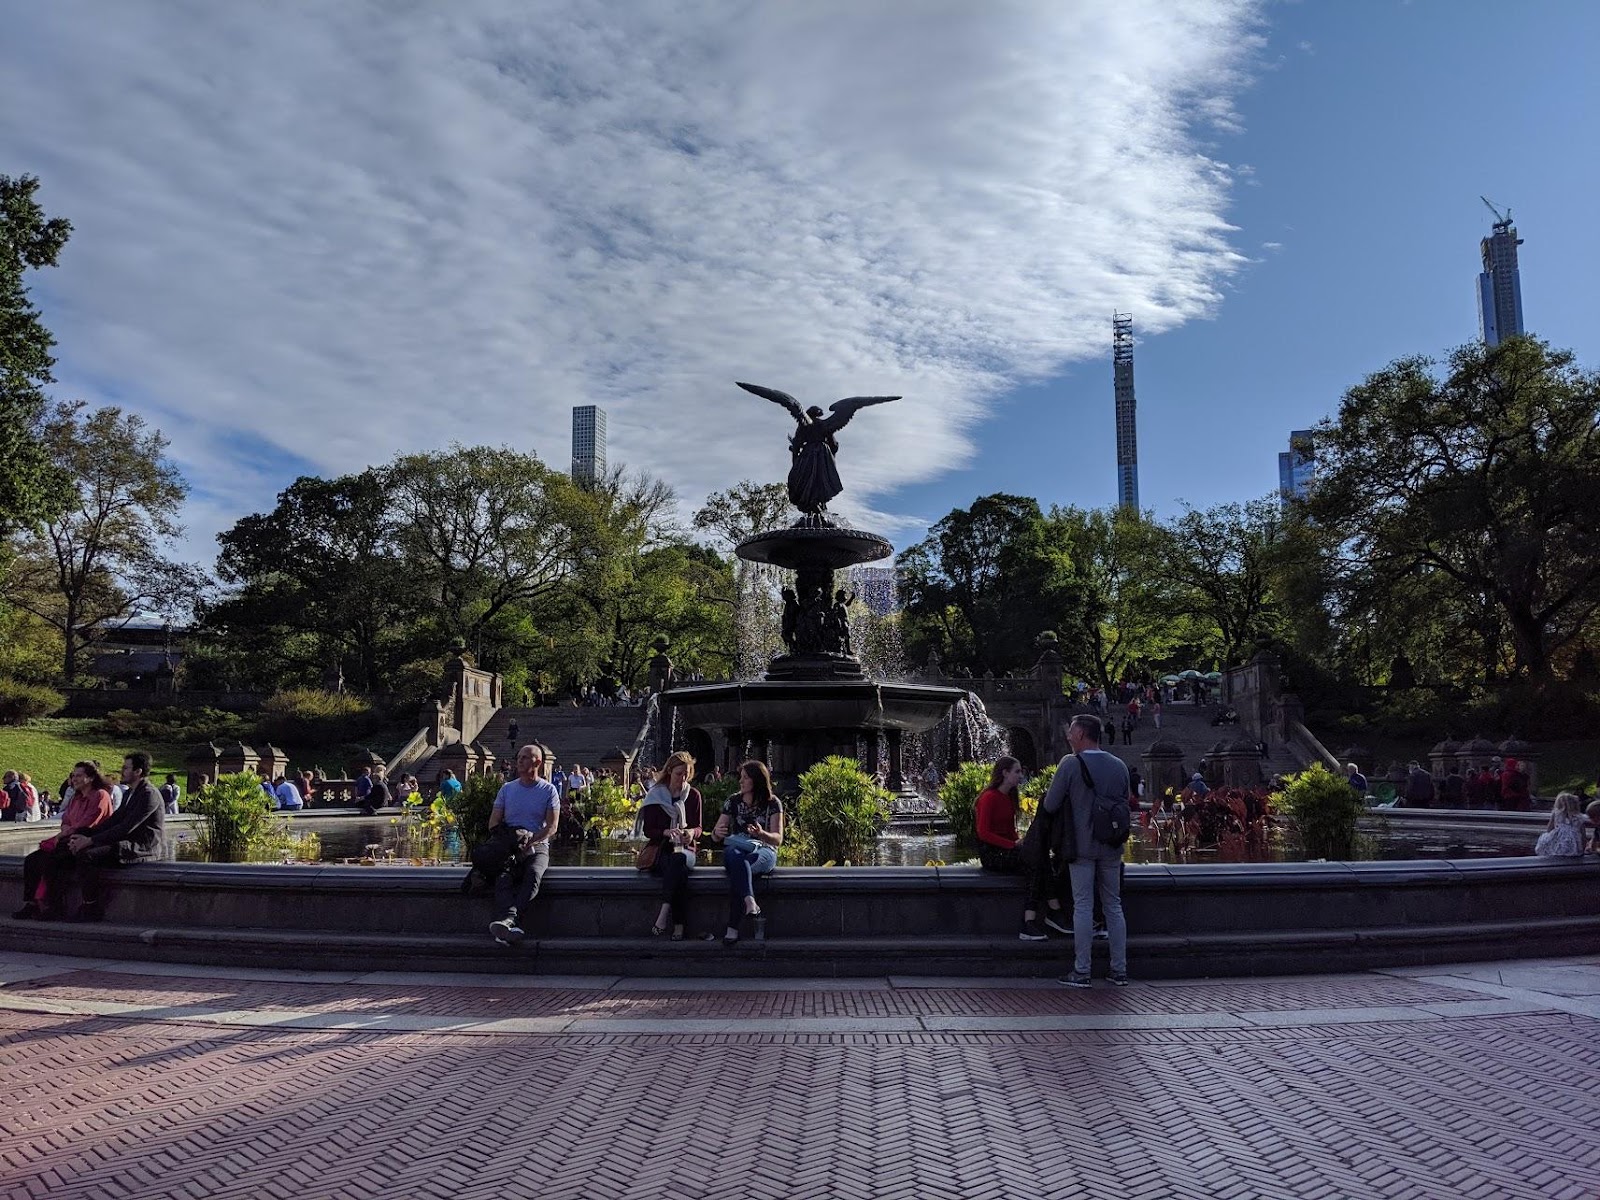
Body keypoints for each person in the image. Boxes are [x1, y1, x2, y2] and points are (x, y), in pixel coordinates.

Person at [1041, 714, 1130, 988]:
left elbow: (1050, 804)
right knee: (1113, 905)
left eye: (1071, 732)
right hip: (1112, 845)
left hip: (1080, 846)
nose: (1068, 737)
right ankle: (1119, 970)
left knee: (1083, 906)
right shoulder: (1119, 765)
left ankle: (1082, 971)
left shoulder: (1070, 763)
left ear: (1081, 735)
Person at [41, 752, 166, 922]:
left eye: (126, 768)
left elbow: (126, 827)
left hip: (140, 847)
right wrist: (85, 835)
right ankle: (54, 906)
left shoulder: (148, 794)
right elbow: (114, 820)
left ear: (138, 771)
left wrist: (90, 841)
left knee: (87, 856)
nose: (122, 771)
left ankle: (90, 907)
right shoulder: (131, 793)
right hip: (124, 841)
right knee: (63, 848)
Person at [974, 756, 1067, 940]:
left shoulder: (1009, 798)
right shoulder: (988, 797)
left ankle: (1030, 922)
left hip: (1007, 850)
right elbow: (983, 833)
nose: (1020, 775)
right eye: (1016, 771)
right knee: (1038, 861)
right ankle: (1052, 910)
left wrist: (1020, 842)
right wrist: (1013, 845)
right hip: (992, 854)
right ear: (1004, 773)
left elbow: (1010, 831)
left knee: (1038, 861)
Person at [13, 761, 115, 920]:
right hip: (68, 839)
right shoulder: (76, 797)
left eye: (79, 775)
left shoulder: (100, 795)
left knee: (53, 861)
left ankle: (55, 907)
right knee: (32, 860)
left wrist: (66, 832)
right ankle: (32, 904)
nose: (74, 779)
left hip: (87, 841)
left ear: (90, 778)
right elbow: (66, 819)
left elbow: (90, 821)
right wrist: (65, 831)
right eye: (73, 775)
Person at [486, 744, 561, 944]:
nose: (520, 761)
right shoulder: (507, 789)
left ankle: (510, 919)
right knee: (502, 878)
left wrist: (531, 841)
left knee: (534, 873)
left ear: (538, 762)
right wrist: (513, 841)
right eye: (519, 757)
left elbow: (552, 826)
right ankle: (511, 921)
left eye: (525, 757)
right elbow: (493, 822)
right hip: (510, 844)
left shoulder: (549, 790)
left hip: (538, 845)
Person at [710, 760, 782, 946]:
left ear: (756, 780)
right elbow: (716, 835)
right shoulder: (733, 801)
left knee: (739, 870)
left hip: (764, 850)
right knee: (736, 859)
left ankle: (733, 928)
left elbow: (777, 839)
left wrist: (762, 834)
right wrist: (717, 833)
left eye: (745, 778)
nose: (740, 782)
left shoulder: (773, 803)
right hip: (736, 848)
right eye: (740, 778)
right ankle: (750, 901)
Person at [638, 750, 703, 940]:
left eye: (686, 774)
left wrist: (690, 833)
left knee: (679, 859)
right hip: (661, 850)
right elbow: (649, 831)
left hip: (685, 849)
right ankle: (679, 926)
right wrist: (666, 832)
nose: (682, 779)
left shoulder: (693, 795)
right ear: (668, 772)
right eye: (678, 774)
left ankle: (663, 914)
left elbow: (698, 827)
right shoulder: (656, 795)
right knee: (679, 872)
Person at [1535, 792, 1586, 858]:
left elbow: (1549, 829)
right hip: (1574, 847)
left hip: (1559, 845)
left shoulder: (1556, 814)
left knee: (1547, 838)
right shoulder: (1579, 817)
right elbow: (1583, 835)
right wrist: (1582, 849)